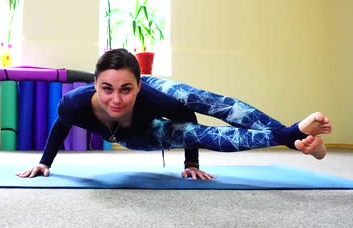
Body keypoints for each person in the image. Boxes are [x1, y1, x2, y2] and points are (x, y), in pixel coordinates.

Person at [17, 48, 332, 180]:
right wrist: (45, 162)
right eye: (106, 89)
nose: (115, 99)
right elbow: (60, 125)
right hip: (137, 136)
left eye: (125, 89)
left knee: (199, 101)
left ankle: (293, 137)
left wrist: (191, 163)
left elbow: (190, 117)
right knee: (196, 135)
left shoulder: (151, 97)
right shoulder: (74, 104)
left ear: (138, 86)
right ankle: (295, 137)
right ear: (95, 84)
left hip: (155, 97)